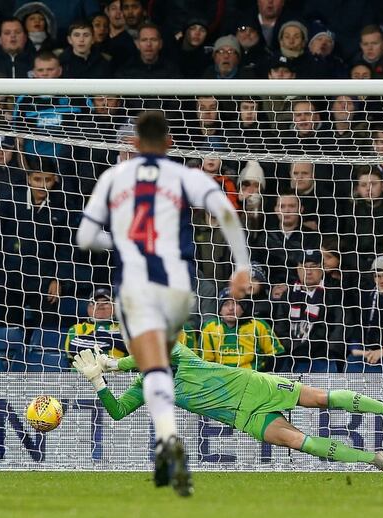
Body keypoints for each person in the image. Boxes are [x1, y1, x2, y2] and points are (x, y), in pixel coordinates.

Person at [76, 111, 252, 497]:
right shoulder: (186, 176)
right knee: (161, 361)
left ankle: (167, 437)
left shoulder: (114, 178)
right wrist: (242, 266)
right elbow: (225, 211)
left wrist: (123, 244)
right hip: (177, 287)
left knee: (151, 362)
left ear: (133, 145)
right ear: (171, 143)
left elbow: (86, 237)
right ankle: (165, 438)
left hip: (135, 285)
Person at [71, 343, 383, 473]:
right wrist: (98, 382)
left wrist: (114, 365)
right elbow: (116, 412)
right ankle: (373, 459)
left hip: (255, 386)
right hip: (245, 417)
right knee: (304, 443)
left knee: (320, 398)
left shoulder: (174, 354)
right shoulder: (143, 387)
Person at [200, 288, 281, 371]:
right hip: (221, 379)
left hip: (253, 378)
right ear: (220, 310)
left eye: (236, 303)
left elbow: (276, 354)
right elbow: (206, 361)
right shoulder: (209, 327)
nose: (231, 308)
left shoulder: (258, 325)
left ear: (243, 308)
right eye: (226, 304)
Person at [63, 287, 128, 362]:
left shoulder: (125, 327)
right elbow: (74, 348)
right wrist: (113, 340)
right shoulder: (77, 328)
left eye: (106, 302)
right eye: (94, 302)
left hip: (121, 372)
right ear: (88, 308)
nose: (100, 306)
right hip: (84, 372)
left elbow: (132, 348)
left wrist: (96, 336)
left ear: (115, 307)